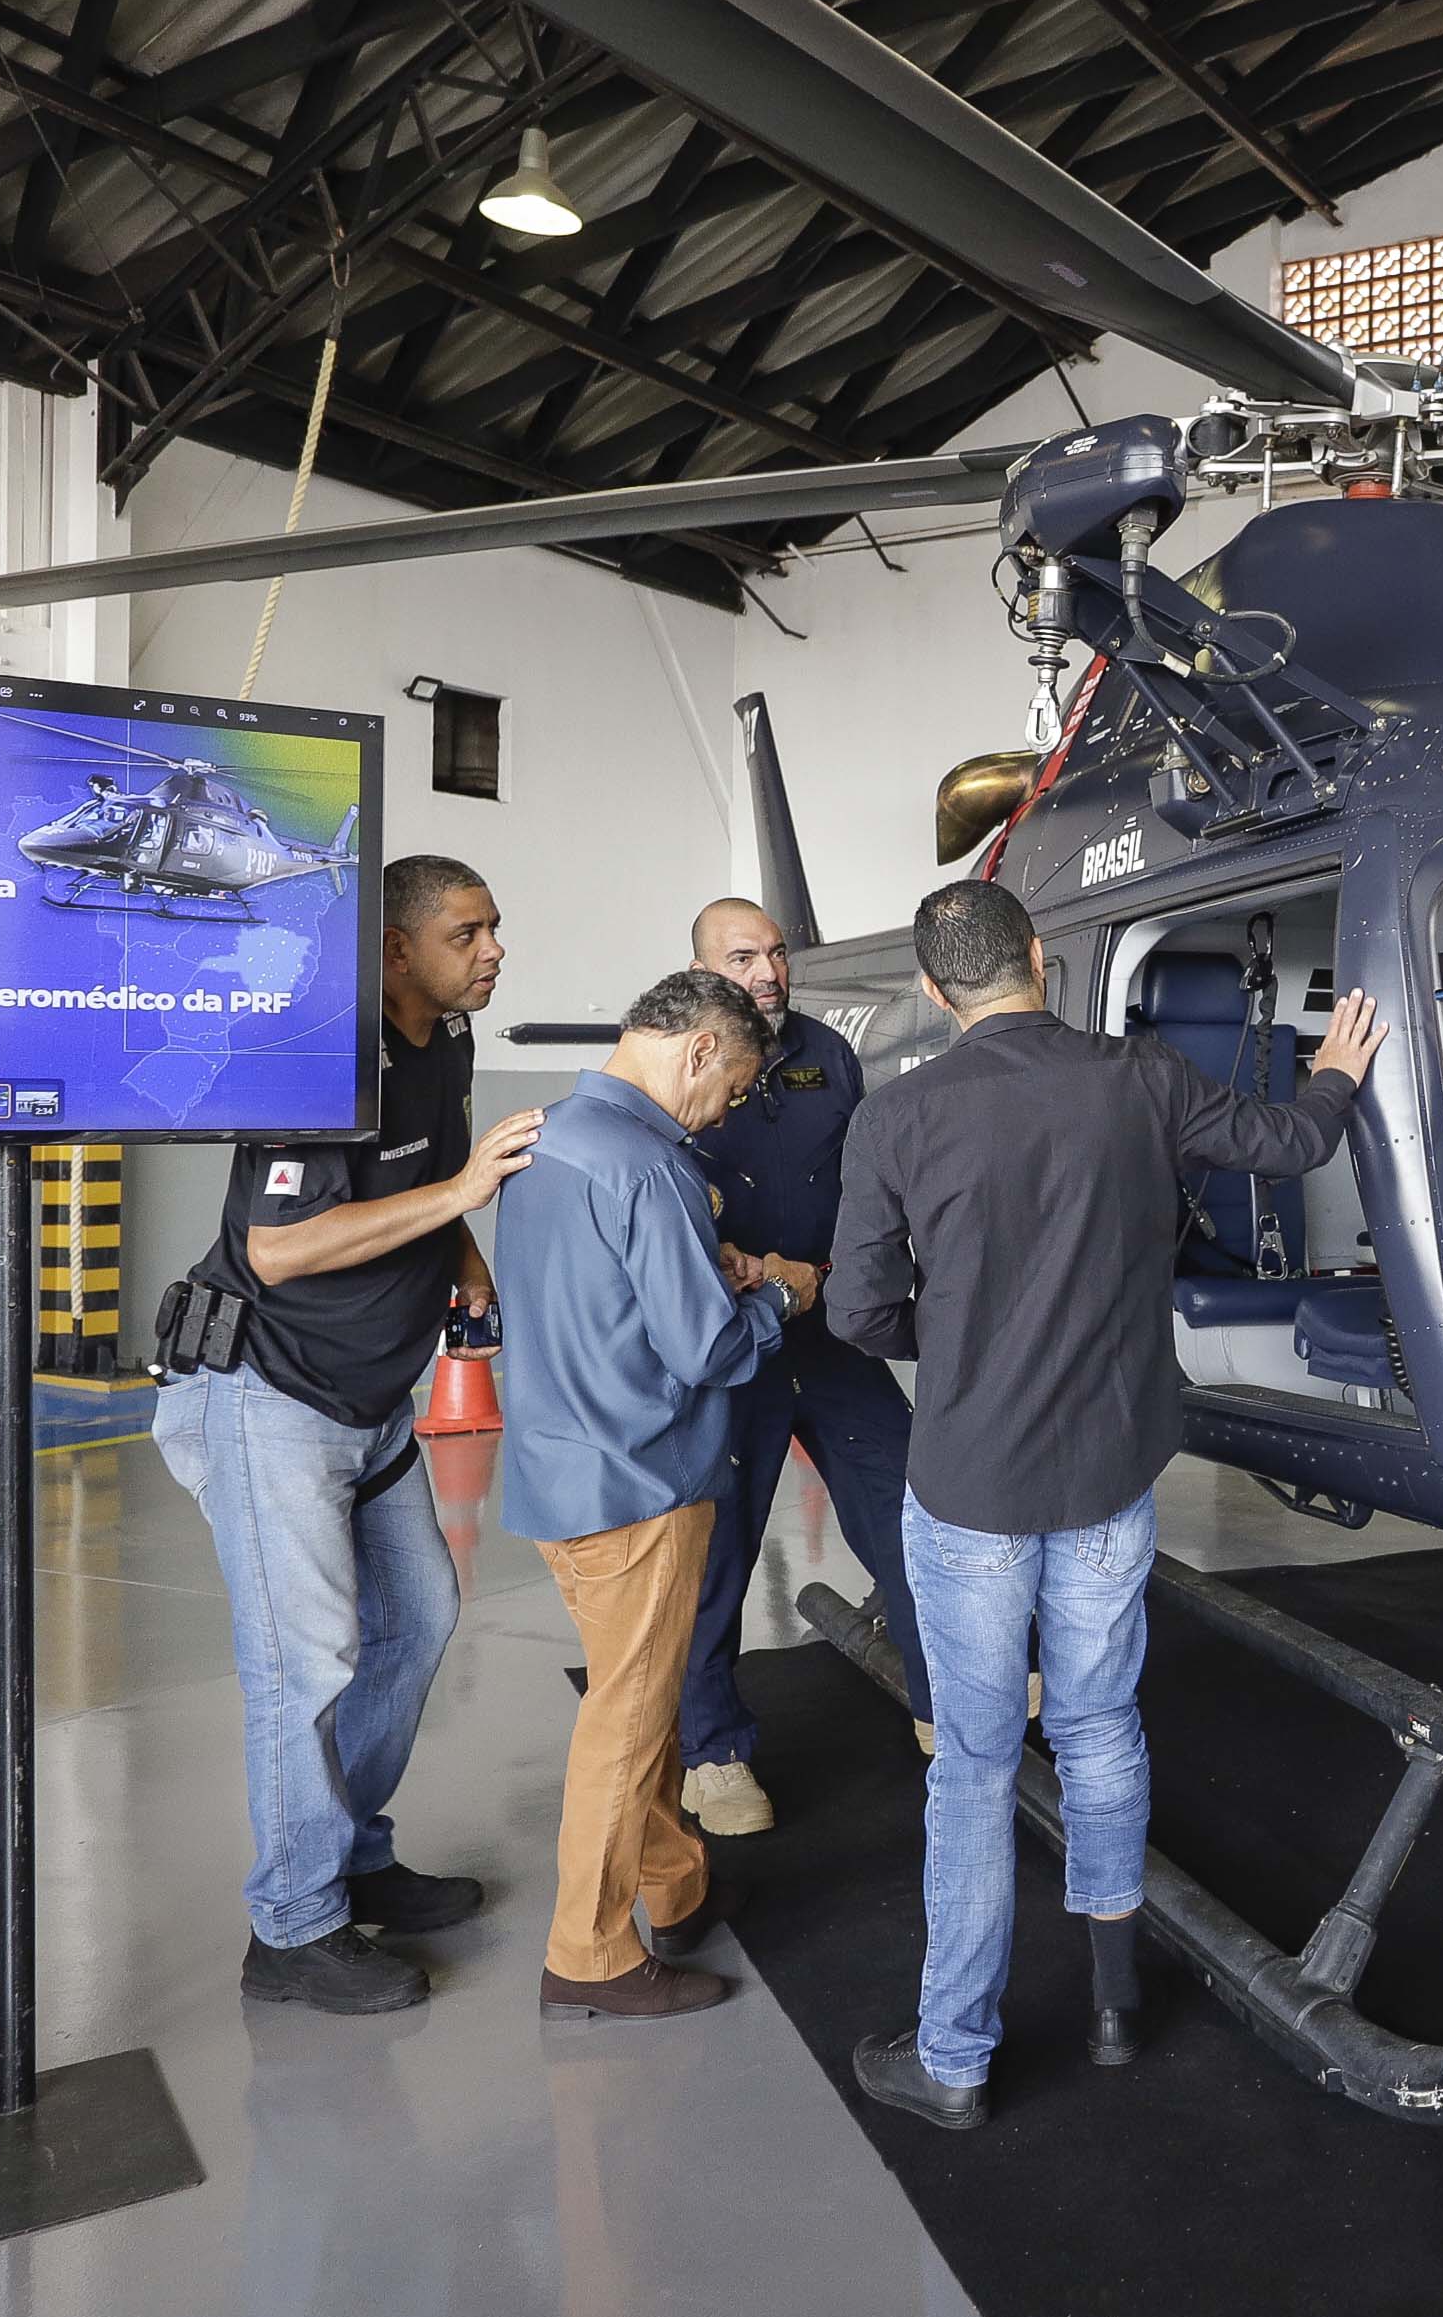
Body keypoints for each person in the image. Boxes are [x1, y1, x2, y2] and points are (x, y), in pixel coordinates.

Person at [826, 881, 1386, 2128]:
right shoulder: (1142, 1076)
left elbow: (856, 1312)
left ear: (932, 990)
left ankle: (954, 2058)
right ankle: (1116, 2005)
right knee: (1098, 1726)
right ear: (1036, 957)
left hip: (970, 1486)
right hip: (1109, 1474)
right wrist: (1336, 1073)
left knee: (975, 1766)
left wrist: (956, 1338)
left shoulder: (896, 1115)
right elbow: (1293, 1145)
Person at [153, 856, 539, 2016]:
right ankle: (293, 1921)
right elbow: (277, 1248)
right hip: (268, 1396)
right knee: (304, 1664)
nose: (493, 949)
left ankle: (349, 1853)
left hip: (371, 1404)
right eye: (467, 932)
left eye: (493, 926)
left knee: (416, 1618)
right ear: (394, 950)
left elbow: (432, 1172)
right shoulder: (314, 1058)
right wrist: (465, 1196)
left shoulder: (449, 1038)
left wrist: (466, 1263)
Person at [492, 968, 792, 2019]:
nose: (725, 1112)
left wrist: (701, 1269)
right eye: (732, 1087)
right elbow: (708, 1349)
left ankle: (673, 1882)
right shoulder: (652, 1166)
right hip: (640, 1481)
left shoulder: (548, 1135)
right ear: (699, 1049)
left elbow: (594, 1295)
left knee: (642, 1696)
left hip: (558, 1468)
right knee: (625, 1721)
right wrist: (783, 1295)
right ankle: (590, 1952)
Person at [670, 898, 931, 1830]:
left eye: (777, 954)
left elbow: (866, 1182)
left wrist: (852, 1284)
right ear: (701, 972)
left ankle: (944, 1698)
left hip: (828, 1330)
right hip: (730, 1341)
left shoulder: (827, 1051)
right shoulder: (681, 1058)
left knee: (908, 1505)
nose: (769, 973)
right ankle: (713, 1754)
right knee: (718, 1551)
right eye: (743, 958)